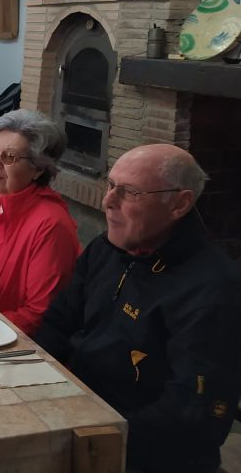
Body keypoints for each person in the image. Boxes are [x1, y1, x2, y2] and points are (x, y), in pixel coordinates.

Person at [35, 144, 241, 473]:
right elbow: (58, 323)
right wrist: (32, 384)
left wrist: (92, 442)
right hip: (76, 412)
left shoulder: (215, 289)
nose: (107, 201)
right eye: (110, 184)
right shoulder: (106, 248)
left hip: (139, 452)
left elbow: (192, 416)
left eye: (129, 192)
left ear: (180, 204)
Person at [0, 109, 80, 336]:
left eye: (9, 157)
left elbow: (38, 314)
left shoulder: (51, 226)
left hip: (6, 341)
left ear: (38, 169)